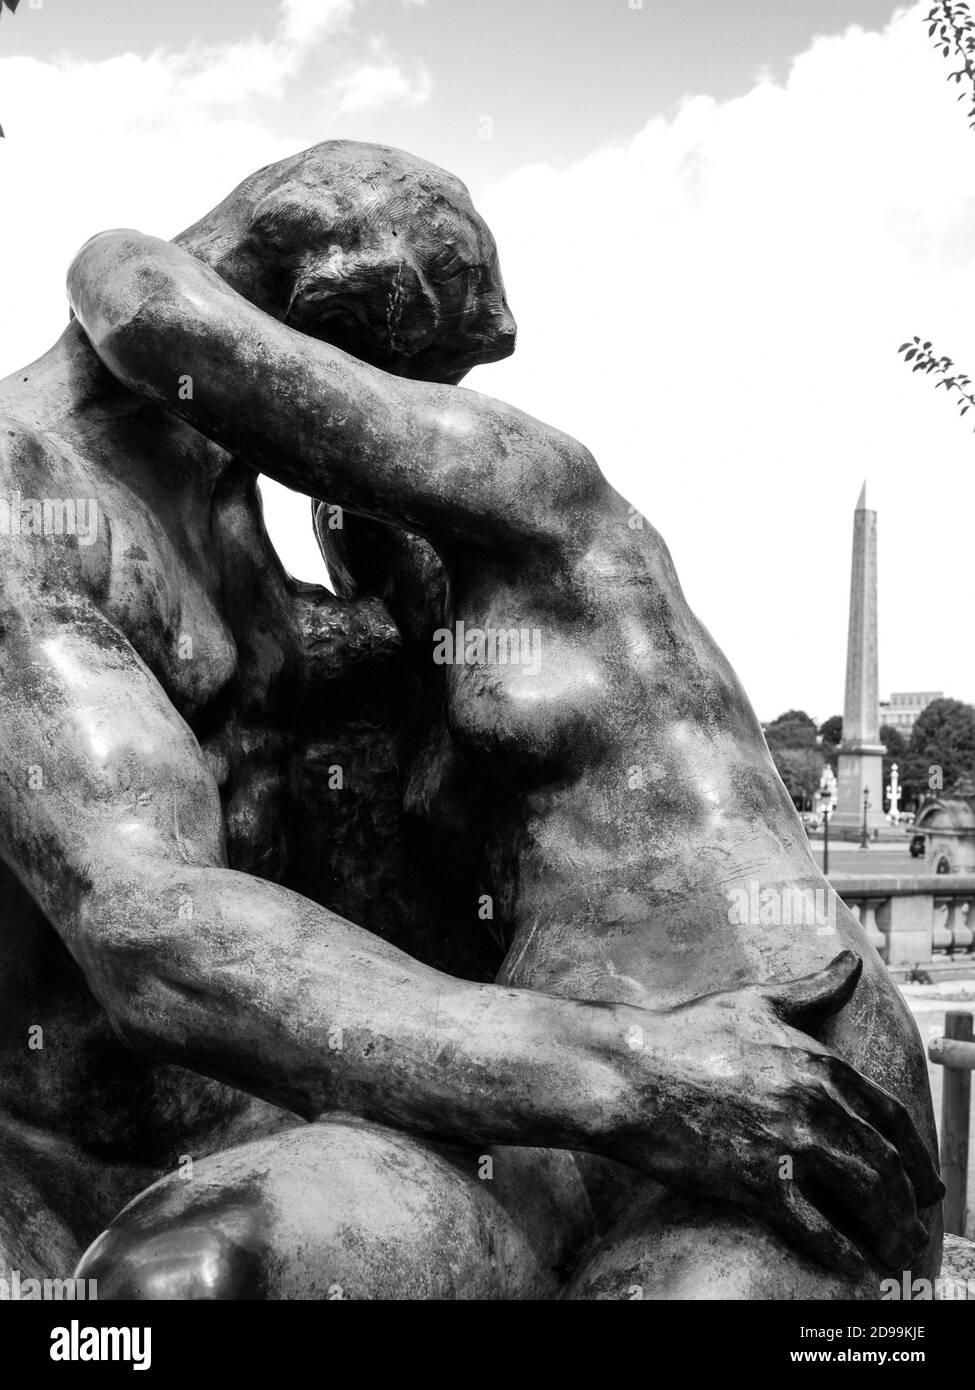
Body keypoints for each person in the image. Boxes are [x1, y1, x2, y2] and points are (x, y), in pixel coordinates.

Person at [56, 145, 940, 1298]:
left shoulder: (533, 485)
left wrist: (134, 252)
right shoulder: (405, 645)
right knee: (173, 1277)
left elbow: (148, 311)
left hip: (793, 1038)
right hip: (571, 1096)